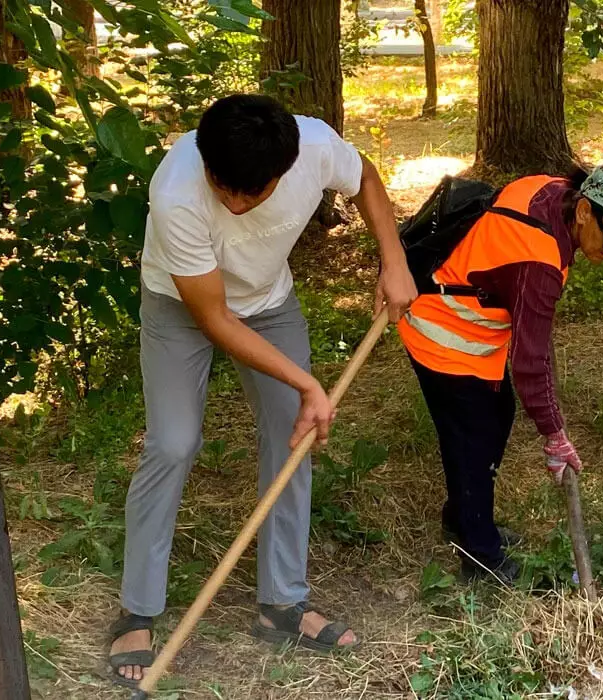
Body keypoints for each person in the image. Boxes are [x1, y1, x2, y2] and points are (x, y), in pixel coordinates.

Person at [107, 94, 418, 687]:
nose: (236, 203)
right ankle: (138, 609)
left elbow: (368, 179)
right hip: (183, 306)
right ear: (206, 161)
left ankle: (282, 604)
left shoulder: (315, 147)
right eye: (226, 188)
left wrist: (394, 259)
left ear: (284, 169)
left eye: (254, 193)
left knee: (292, 434)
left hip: (270, 302)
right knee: (172, 442)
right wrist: (308, 382)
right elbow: (216, 319)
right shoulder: (176, 191)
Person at [397, 163, 603, 583]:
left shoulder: (550, 189)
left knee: (497, 415)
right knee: (472, 438)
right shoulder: (539, 259)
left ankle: (464, 518)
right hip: (443, 331)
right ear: (586, 211)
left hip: (471, 328)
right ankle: (481, 558)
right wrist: (555, 434)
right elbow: (530, 361)